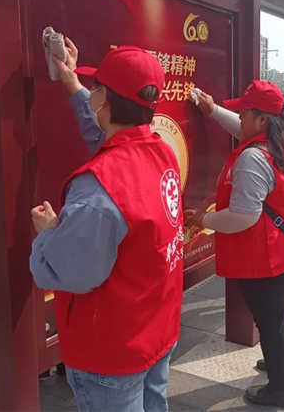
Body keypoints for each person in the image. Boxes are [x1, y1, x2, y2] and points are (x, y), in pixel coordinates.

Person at [30, 40, 184, 412]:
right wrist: (72, 84)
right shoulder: (161, 151)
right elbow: (111, 139)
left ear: (103, 99)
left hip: (112, 350)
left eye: (96, 88)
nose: (92, 94)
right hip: (156, 329)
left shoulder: (96, 188)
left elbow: (70, 273)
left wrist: (49, 232)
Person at [190, 81, 284, 409]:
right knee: (276, 314)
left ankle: (280, 390)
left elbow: (243, 216)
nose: (239, 116)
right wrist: (213, 110)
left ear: (263, 119)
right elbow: (242, 130)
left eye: (244, 111)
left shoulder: (253, 158)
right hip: (279, 247)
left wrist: (203, 220)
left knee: (269, 320)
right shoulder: (280, 141)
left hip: (261, 255)